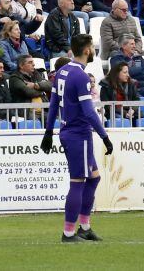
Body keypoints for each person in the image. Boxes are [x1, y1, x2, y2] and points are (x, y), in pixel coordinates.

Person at [40, 34, 111, 243]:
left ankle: (85, 227)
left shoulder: (62, 71)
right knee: (78, 182)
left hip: (70, 132)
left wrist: (48, 132)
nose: (94, 51)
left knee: (94, 178)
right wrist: (105, 137)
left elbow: (53, 104)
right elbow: (89, 113)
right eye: (93, 48)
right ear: (87, 50)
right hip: (78, 134)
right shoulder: (80, 76)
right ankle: (69, 233)